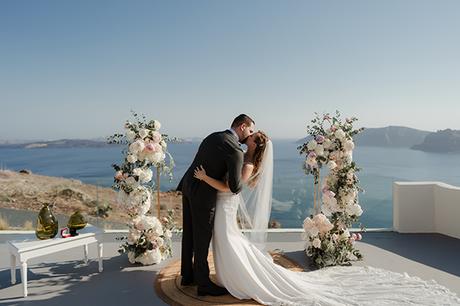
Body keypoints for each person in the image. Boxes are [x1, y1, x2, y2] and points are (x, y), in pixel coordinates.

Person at [193, 131, 460, 305]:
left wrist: (206, 178)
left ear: (255, 145)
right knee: (230, 241)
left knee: (229, 241)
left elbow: (231, 188)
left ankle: (240, 278)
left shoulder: (248, 162)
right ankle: (234, 276)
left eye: (250, 137)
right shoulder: (247, 160)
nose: (246, 137)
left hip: (225, 207)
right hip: (225, 208)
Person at [177, 114, 255, 296]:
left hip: (188, 186)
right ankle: (203, 284)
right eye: (250, 130)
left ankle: (187, 276)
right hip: (203, 196)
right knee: (202, 239)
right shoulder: (235, 150)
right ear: (242, 126)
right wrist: (248, 173)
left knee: (189, 233)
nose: (250, 135)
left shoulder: (213, 136)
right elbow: (235, 187)